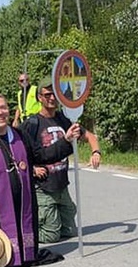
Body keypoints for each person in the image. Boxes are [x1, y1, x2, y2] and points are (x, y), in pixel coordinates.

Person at [0, 94, 76, 267]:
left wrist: (66, 140)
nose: (0, 112)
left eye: (3, 108)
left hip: (24, 208)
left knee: (25, 257)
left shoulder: (20, 135)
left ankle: (25, 253)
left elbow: (42, 156)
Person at [19, 78, 101, 243]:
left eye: (55, 94)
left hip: (61, 185)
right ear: (39, 98)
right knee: (51, 236)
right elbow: (19, 151)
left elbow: (90, 136)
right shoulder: (32, 124)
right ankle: (24, 233)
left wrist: (96, 151)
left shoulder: (64, 119)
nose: (51, 98)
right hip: (43, 187)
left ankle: (50, 219)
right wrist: (33, 168)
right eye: (47, 94)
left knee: (71, 232)